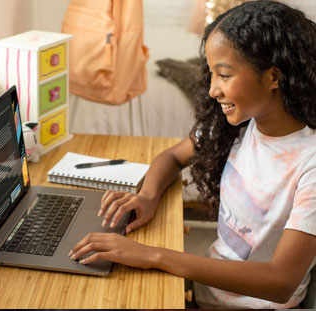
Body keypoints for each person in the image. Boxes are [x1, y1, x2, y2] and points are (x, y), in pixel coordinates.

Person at [68, 1, 316, 308]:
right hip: (206, 293)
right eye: (211, 74)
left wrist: (154, 255)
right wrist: (147, 196)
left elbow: (280, 282)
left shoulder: (310, 164)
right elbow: (172, 157)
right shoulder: (241, 125)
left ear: (273, 77)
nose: (213, 90)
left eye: (224, 75)